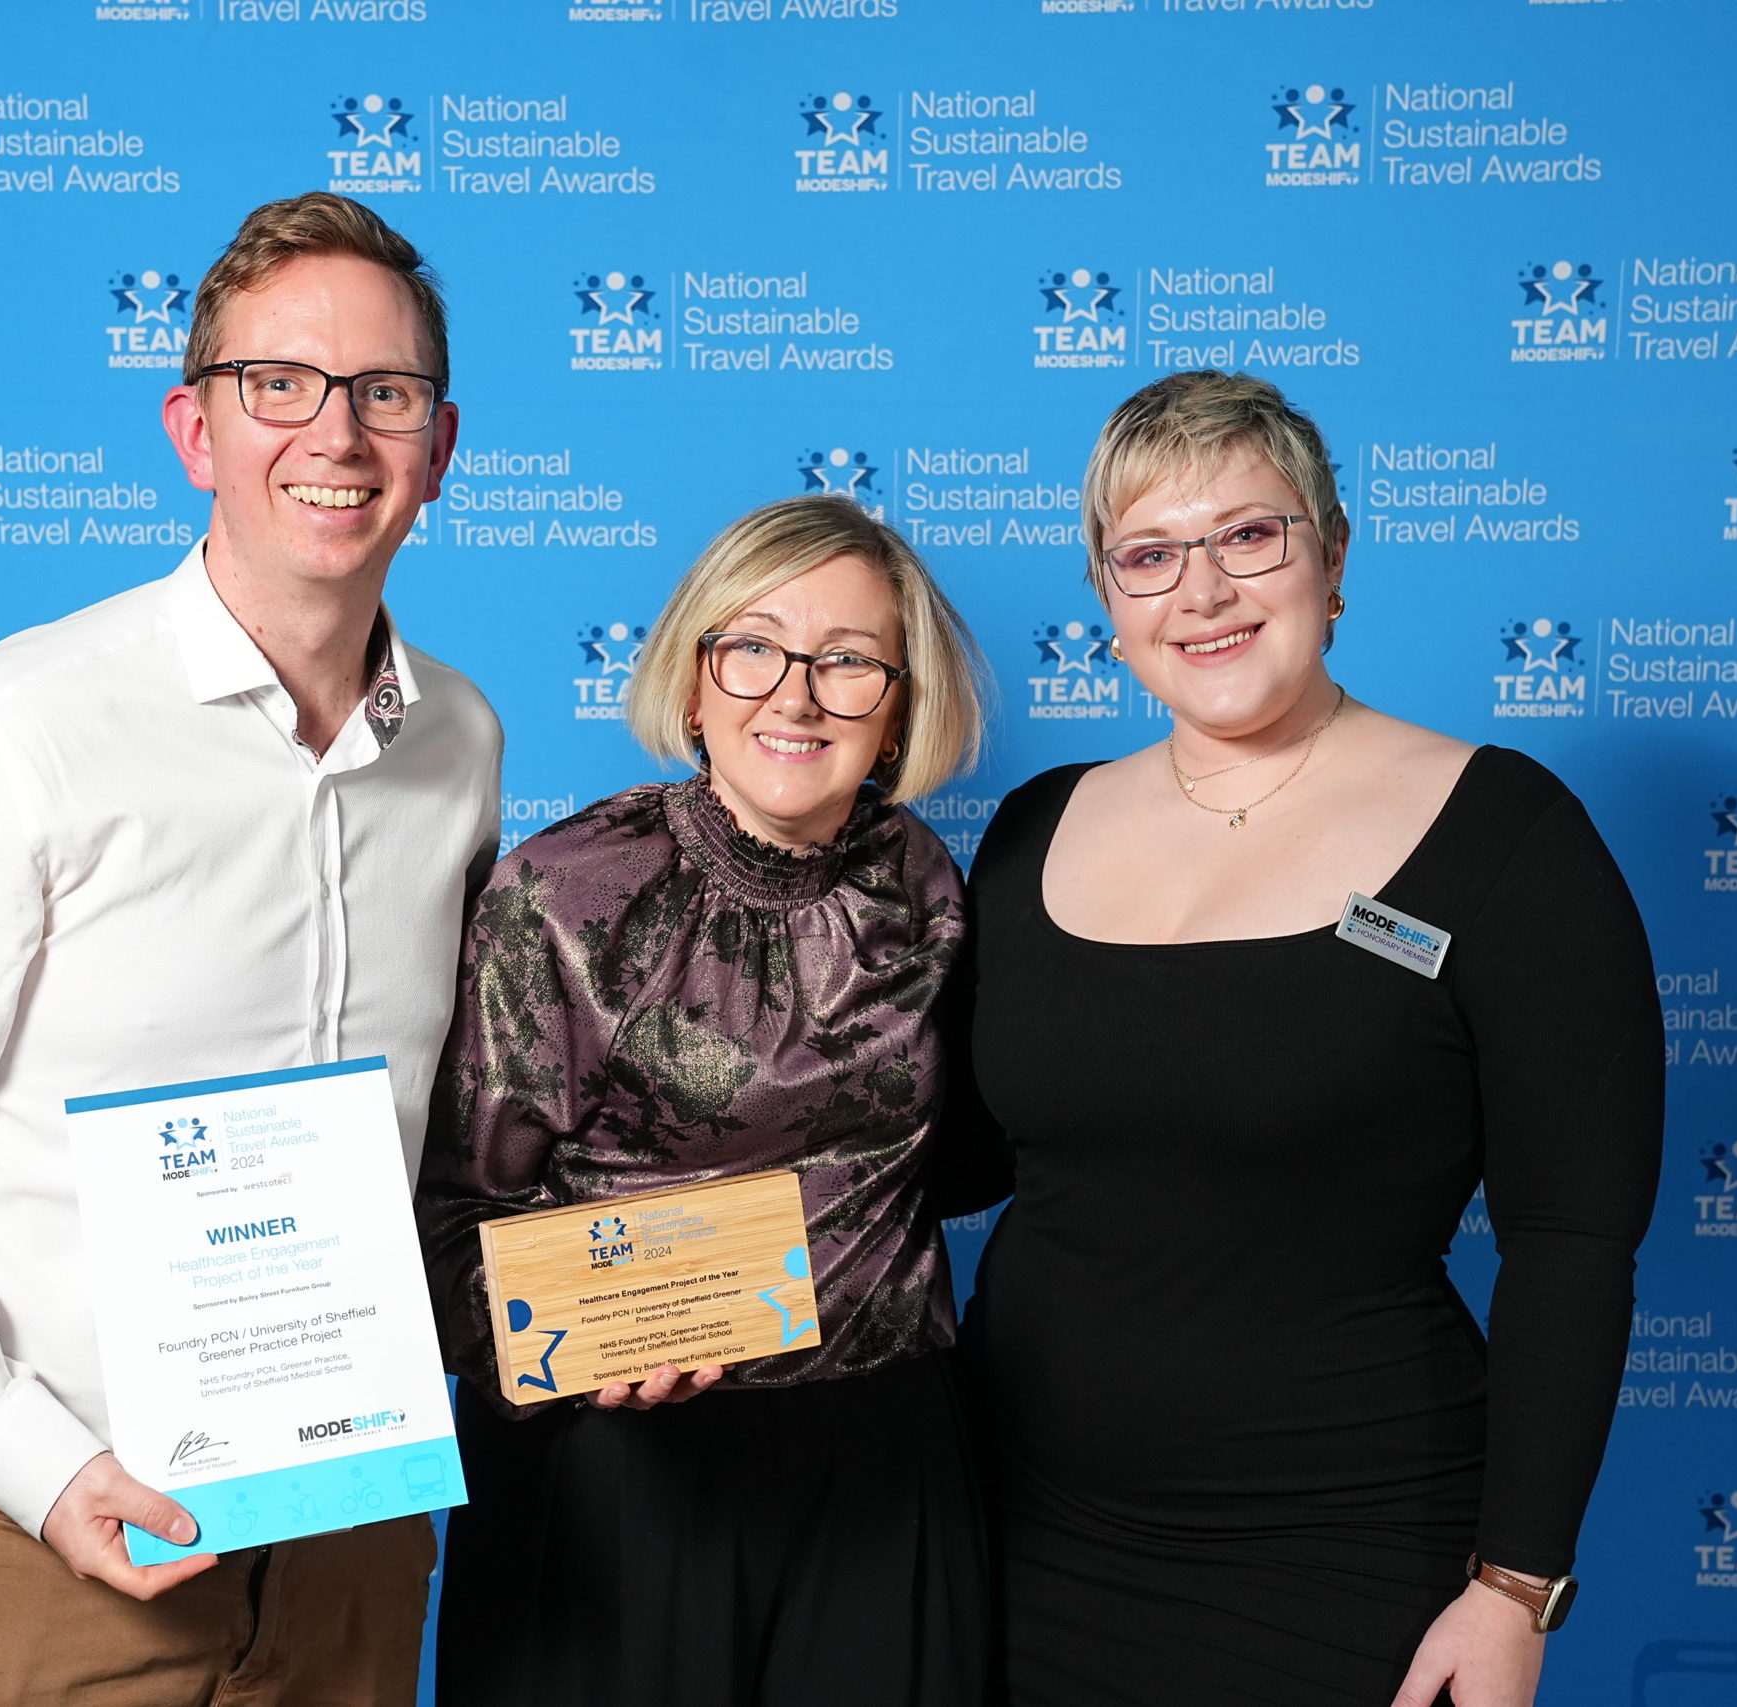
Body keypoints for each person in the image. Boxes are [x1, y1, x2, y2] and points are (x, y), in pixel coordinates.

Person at [0, 192, 500, 1707]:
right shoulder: (29, 728)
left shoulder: (463, 743)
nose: (337, 433)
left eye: (387, 393)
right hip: (64, 1547)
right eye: (278, 384)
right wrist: (44, 1465)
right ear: (194, 429)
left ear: (440, 446)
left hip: (349, 1537)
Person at [959, 370, 1663, 1706]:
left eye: (1250, 535)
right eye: (1151, 553)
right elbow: (950, 1160)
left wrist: (1515, 1585)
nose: (1203, 589)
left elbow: (1572, 1239)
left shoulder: (1505, 833)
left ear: (1334, 555)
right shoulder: (1034, 829)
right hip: (1018, 1535)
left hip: (1352, 1552)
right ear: (1108, 602)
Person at [415, 495, 997, 1707]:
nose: (793, 695)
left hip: (885, 1466)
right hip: (624, 1472)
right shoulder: (566, 898)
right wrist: (573, 1352)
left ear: (898, 707)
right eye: (754, 648)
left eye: (846, 663)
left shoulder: (929, 890)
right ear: (694, 680)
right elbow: (455, 1220)